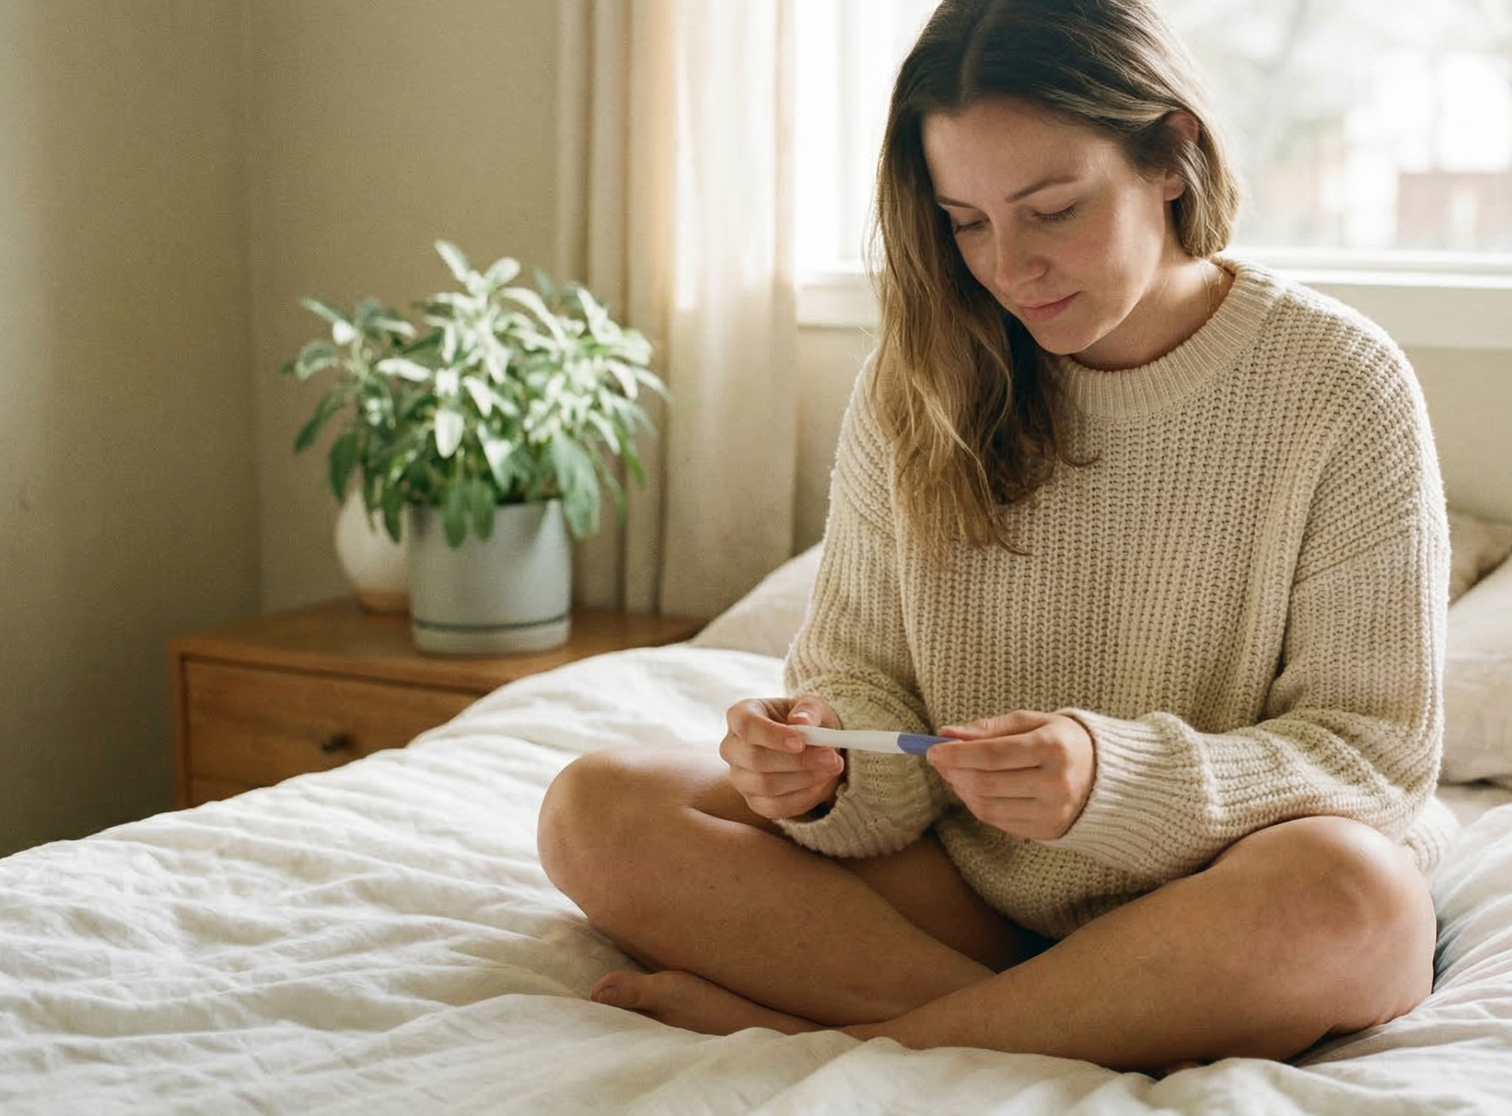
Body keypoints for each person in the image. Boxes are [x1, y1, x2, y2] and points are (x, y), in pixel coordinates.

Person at [537, 0, 1455, 1073]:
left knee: (1357, 896)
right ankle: (1077, 1021)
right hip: (968, 893)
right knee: (595, 810)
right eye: (965, 222)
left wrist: (1110, 779)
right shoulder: (918, 374)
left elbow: (1369, 754)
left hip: (1222, 899)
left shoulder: (1339, 384)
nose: (1008, 267)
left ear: (1172, 155)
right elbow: (859, 674)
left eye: (1052, 209)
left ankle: (856, 1038)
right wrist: (825, 764)